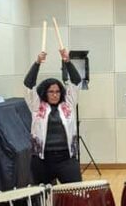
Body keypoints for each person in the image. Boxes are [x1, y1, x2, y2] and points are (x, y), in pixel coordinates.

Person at [23, 48, 83, 184]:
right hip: (42, 160)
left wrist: (67, 61)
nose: (55, 94)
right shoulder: (37, 105)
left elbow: (76, 82)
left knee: (75, 193)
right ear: (45, 92)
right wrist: (37, 63)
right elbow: (28, 84)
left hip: (66, 158)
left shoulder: (68, 104)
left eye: (57, 91)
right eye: (51, 92)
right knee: (43, 197)